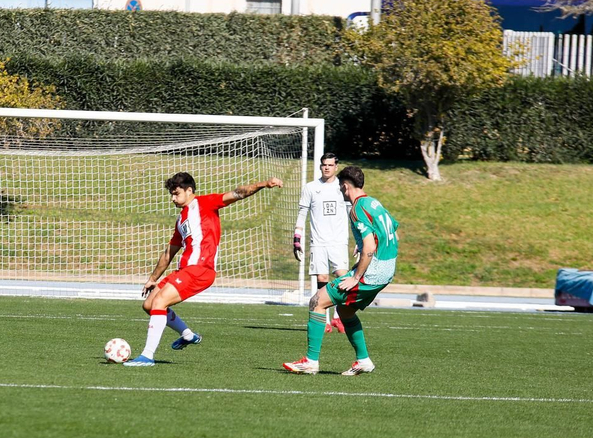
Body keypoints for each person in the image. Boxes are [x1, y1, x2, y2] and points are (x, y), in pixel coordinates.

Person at [125, 171, 283, 366]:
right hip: (185, 270)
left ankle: (147, 356)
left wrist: (264, 183)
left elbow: (238, 193)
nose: (173, 199)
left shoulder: (205, 203)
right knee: (149, 305)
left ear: (189, 190)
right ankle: (188, 335)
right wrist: (152, 278)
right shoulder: (181, 219)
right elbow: (169, 252)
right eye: (171, 195)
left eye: (176, 194)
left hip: (201, 269)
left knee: (159, 303)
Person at [283, 165, 397, 377]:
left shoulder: (356, 209)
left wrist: (356, 277)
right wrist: (364, 244)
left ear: (345, 186)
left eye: (341, 188)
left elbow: (370, 247)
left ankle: (310, 361)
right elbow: (392, 230)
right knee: (345, 310)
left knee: (318, 301)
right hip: (387, 271)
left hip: (371, 273)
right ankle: (363, 360)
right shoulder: (374, 203)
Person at [294, 152, 351, 333]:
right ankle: (325, 320)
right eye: (323, 165)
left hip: (339, 242)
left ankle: (337, 318)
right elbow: (302, 214)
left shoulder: (343, 187)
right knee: (322, 279)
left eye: (330, 165)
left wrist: (358, 239)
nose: (326, 168)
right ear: (320, 166)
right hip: (318, 242)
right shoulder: (310, 188)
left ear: (336, 167)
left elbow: (352, 214)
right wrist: (297, 237)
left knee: (342, 278)